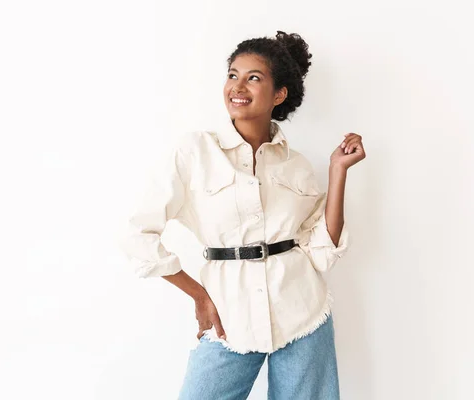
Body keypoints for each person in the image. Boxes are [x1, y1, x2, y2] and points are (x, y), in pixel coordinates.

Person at [119, 30, 366, 400]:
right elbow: (138, 235)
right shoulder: (195, 152)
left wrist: (337, 172)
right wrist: (199, 296)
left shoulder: (295, 165)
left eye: (254, 78)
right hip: (228, 317)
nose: (238, 86)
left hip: (302, 312)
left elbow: (322, 250)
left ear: (279, 94)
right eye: (233, 75)